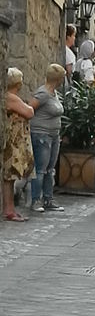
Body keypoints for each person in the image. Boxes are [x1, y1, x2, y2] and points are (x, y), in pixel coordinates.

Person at [29, 64, 66, 212]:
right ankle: (36, 200)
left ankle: (48, 199)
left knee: (50, 169)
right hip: (41, 135)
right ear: (58, 79)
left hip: (53, 135)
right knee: (41, 169)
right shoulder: (43, 93)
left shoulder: (53, 93)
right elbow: (30, 108)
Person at [2, 68, 34, 222]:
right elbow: (29, 112)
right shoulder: (11, 98)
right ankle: (9, 210)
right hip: (12, 142)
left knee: (11, 176)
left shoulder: (11, 97)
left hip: (13, 141)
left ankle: (10, 209)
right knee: (9, 175)